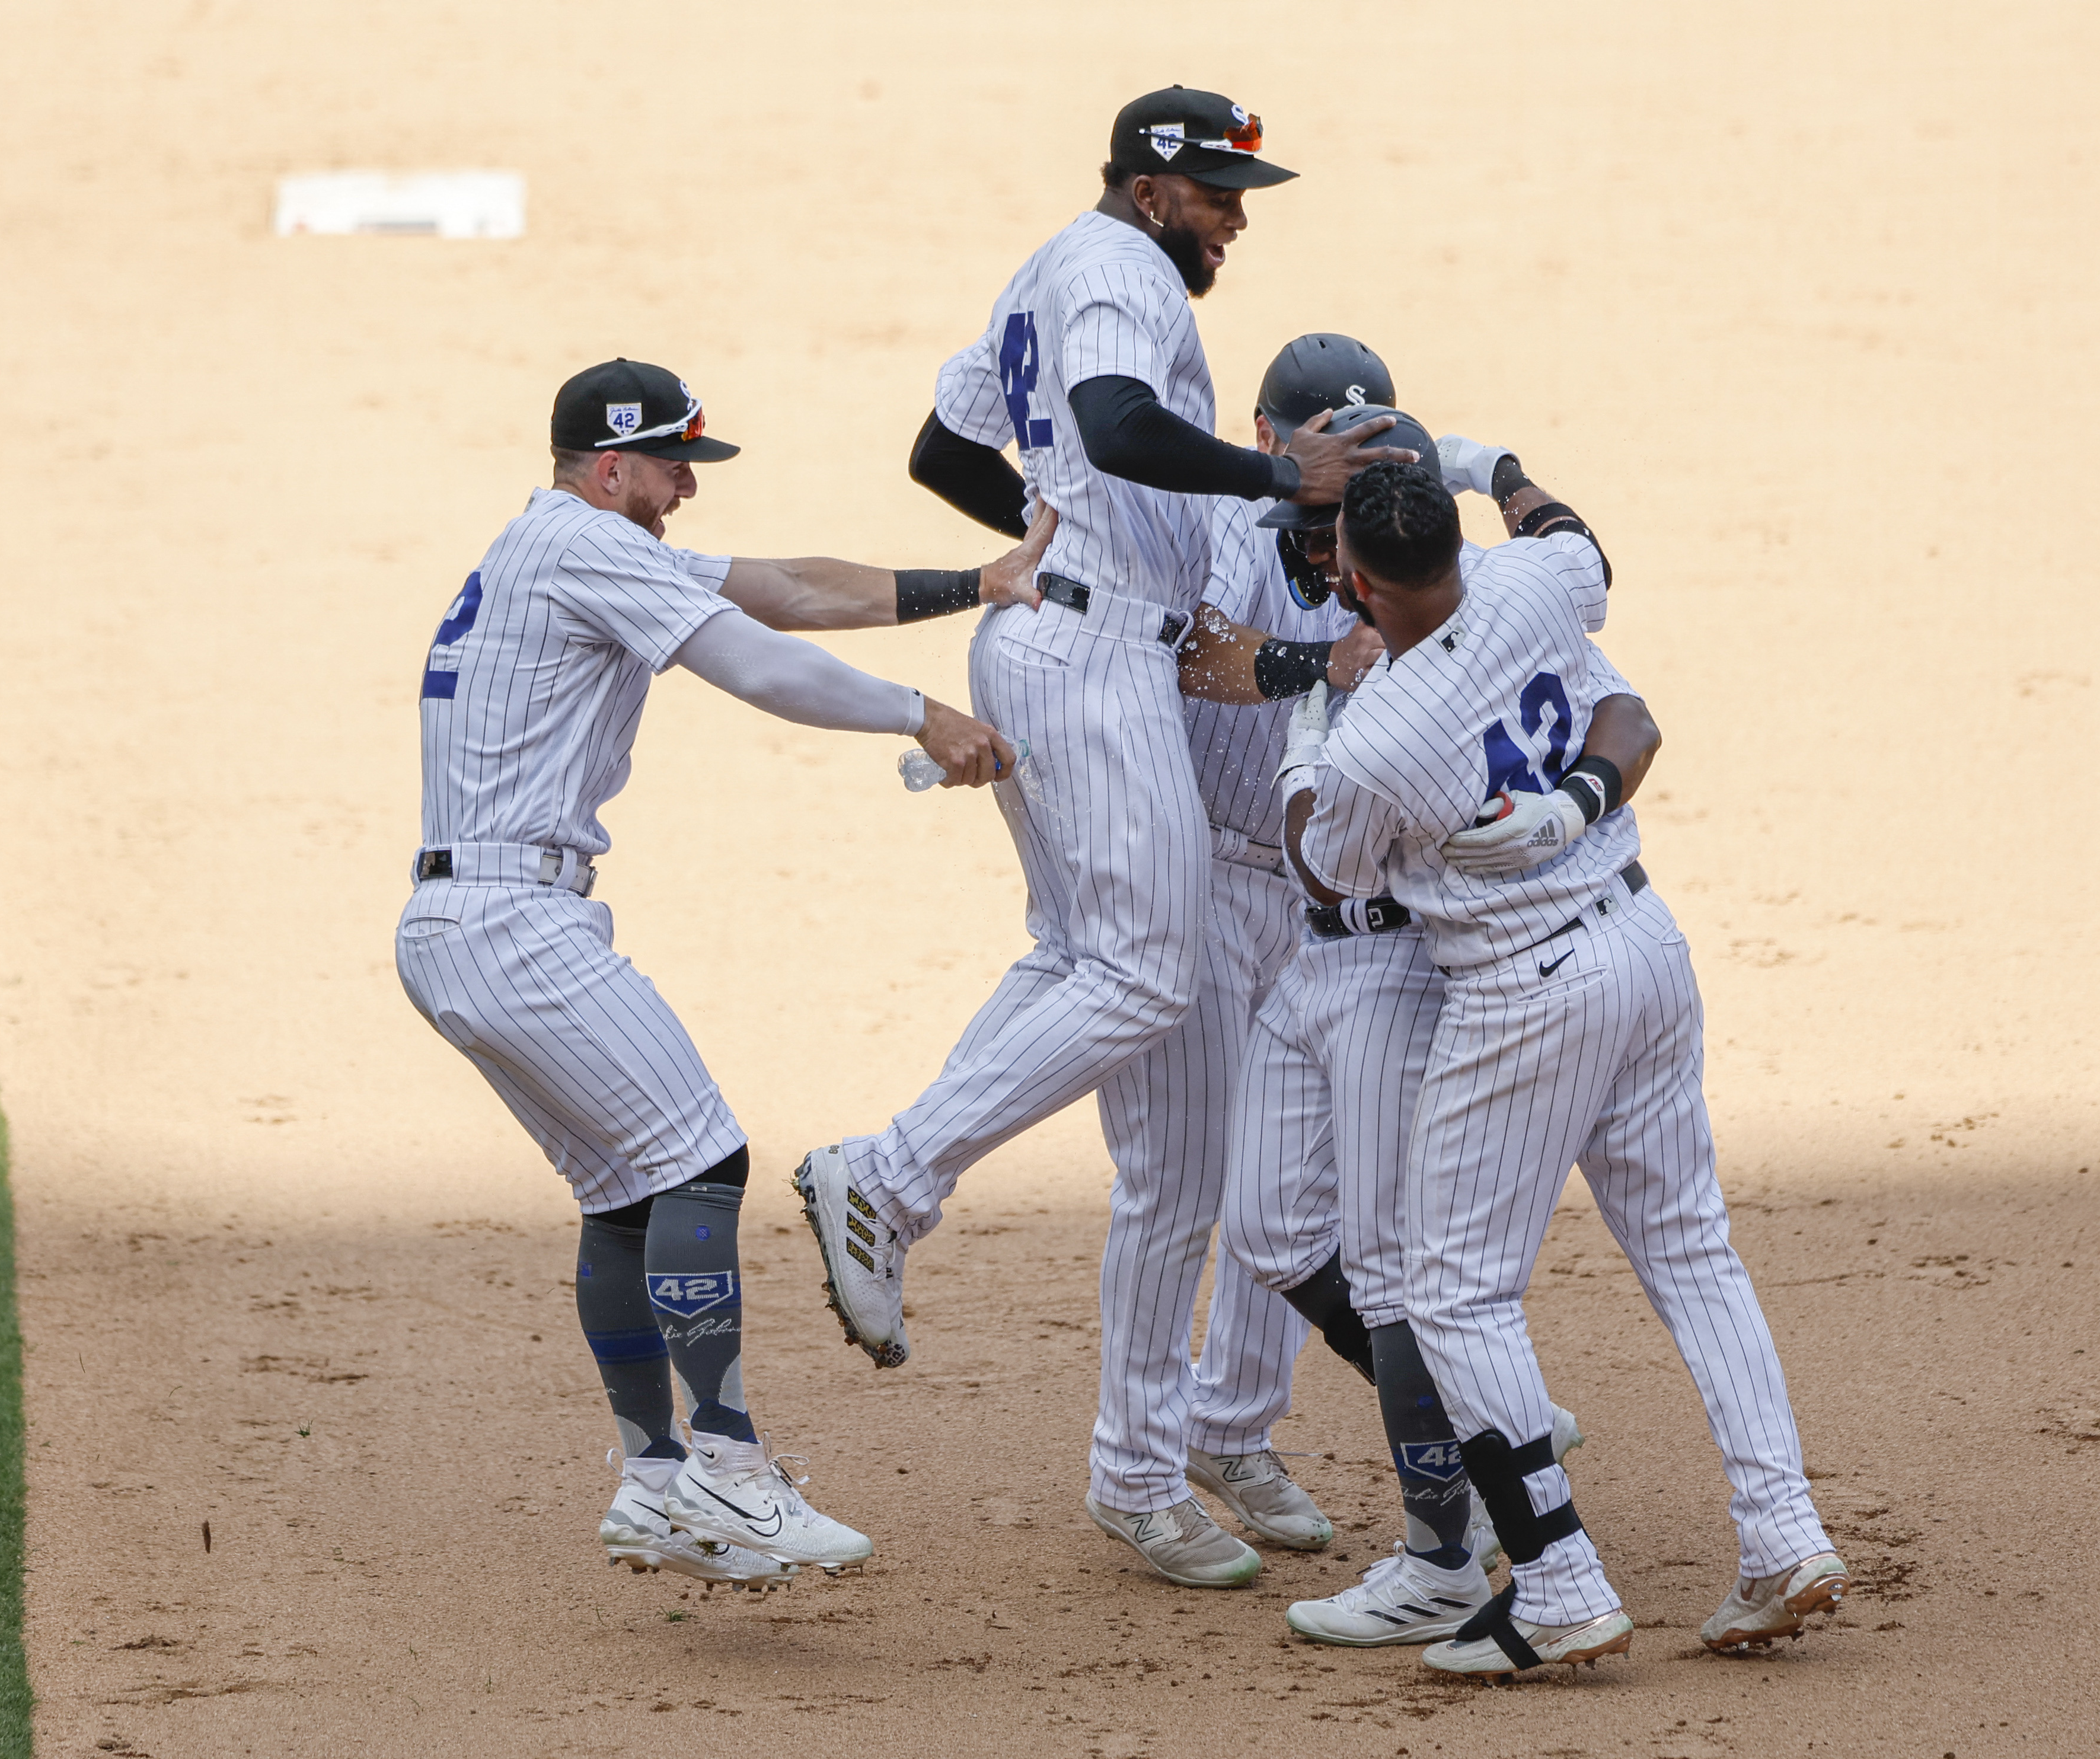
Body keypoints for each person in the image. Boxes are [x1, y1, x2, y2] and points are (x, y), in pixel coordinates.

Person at [794, 90, 1404, 1586]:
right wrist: (1272, 478)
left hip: (1081, 636)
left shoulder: (1051, 272)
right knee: (1140, 969)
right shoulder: (1117, 268)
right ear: (1155, 184)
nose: (1239, 218)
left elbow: (947, 445)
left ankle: (1149, 1465)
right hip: (1085, 658)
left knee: (1163, 1102)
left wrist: (1057, 539)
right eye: (1223, 194)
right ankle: (888, 1170)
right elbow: (1125, 425)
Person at [396, 358, 1038, 1594]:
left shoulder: (569, 546)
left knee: (624, 1192)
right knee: (701, 1160)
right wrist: (923, 714)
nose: (689, 486)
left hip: (461, 919)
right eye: (676, 464)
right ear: (609, 464)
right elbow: (756, 665)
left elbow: (787, 587)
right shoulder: (587, 545)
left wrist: (976, 582)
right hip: (513, 920)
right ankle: (730, 1466)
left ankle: (651, 1478)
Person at [1279, 460, 1845, 1679]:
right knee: (1692, 1248)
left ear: (1365, 581)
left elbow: (1326, 871)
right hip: (1647, 943)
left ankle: (1559, 1583)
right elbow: (1577, 548)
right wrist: (1497, 469)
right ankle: (1785, 1532)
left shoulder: (1378, 733)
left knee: (1453, 1294)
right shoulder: (1530, 583)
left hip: (1529, 990)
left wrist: (1307, 737)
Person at [1205, 414, 1620, 1644]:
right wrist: (1302, 673)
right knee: (1278, 1227)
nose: (1319, 558)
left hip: (1390, 965)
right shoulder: (1408, 621)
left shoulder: (1417, 675)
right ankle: (1496, 1420)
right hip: (1308, 970)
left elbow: (1323, 862)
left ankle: (1444, 1543)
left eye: (1331, 540)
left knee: (1394, 1275)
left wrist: (1311, 726)